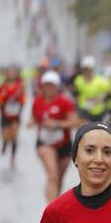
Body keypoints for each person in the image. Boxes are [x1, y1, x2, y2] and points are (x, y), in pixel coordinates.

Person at [31, 70, 82, 202]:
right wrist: (32, 122)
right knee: (52, 175)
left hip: (64, 145)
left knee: (58, 178)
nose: (49, 88)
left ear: (57, 86)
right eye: (46, 85)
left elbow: (75, 122)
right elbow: (34, 118)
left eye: (52, 85)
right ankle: (50, 210)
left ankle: (55, 206)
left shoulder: (64, 102)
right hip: (45, 144)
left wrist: (57, 124)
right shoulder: (38, 102)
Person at [0, 65, 26, 169]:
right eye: (9, 72)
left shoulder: (20, 86)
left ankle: (13, 157)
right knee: (6, 136)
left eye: (13, 72)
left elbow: (23, 100)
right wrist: (2, 100)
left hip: (15, 116)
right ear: (6, 74)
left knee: (14, 136)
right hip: (5, 116)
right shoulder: (1, 86)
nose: (11, 74)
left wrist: (19, 101)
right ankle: (4, 143)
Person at [72, 56, 110, 122]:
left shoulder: (100, 80)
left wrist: (99, 99)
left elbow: (108, 93)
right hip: (83, 110)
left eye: (88, 68)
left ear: (92, 69)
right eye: (85, 68)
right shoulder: (78, 79)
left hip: (98, 111)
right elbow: (75, 93)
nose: (86, 71)